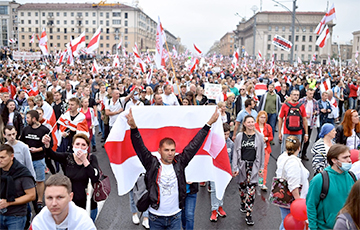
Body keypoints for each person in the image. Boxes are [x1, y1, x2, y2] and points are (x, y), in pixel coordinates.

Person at [125, 108, 219, 229]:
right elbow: (139, 146)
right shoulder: (152, 164)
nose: (170, 153)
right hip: (155, 217)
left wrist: (209, 124)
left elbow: (194, 145)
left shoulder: (180, 162)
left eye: (172, 150)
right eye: (166, 150)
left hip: (175, 217)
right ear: (159, 151)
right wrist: (133, 127)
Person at [42, 133, 100, 221]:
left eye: (83, 145)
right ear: (73, 146)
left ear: (87, 147)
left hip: (88, 204)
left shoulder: (91, 158)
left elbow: (95, 177)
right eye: (77, 144)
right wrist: (47, 145)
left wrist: (84, 161)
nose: (80, 147)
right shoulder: (67, 157)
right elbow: (52, 155)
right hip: (71, 205)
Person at [306, 144, 356, 229]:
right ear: (334, 160)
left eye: (349, 156)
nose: (349, 160)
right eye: (345, 158)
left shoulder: (352, 177)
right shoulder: (319, 179)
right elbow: (311, 205)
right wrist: (313, 228)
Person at [30, 174, 96, 230]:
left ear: (70, 197)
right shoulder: (39, 222)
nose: (54, 203)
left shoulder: (83, 221)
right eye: (49, 198)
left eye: (60, 197)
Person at [232, 115, 264, 226]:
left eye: (252, 121)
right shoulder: (240, 136)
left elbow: (262, 153)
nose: (251, 124)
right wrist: (234, 167)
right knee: (242, 188)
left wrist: (261, 168)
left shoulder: (259, 136)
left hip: (253, 166)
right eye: (248, 122)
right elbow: (236, 153)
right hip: (242, 166)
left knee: (251, 191)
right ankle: (242, 201)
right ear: (244, 124)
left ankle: (248, 214)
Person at [20, 110, 52, 212]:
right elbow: (22, 142)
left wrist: (38, 149)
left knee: (39, 180)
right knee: (28, 180)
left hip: (39, 159)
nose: (26, 119)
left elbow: (49, 145)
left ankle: (39, 201)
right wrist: (26, 147)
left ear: (34, 119)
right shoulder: (25, 129)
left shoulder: (44, 130)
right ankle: (29, 197)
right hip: (27, 161)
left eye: (28, 118)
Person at [275, 136, 309, 230]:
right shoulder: (293, 162)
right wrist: (298, 202)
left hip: (284, 197)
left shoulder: (282, 157)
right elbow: (293, 185)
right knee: (290, 223)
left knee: (285, 221)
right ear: (299, 148)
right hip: (292, 200)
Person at [0, 144, 36, 230]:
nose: (0, 160)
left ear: (11, 156)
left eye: (2, 157)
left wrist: (9, 203)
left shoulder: (22, 173)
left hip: (16, 216)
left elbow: (31, 195)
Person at [209, 123, 233, 222]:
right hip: (214, 170)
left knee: (222, 189)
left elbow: (231, 158)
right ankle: (214, 209)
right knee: (214, 189)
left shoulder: (231, 143)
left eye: (227, 134)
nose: (226, 136)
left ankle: (220, 206)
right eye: (224, 134)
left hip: (224, 171)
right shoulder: (213, 142)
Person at [278, 89, 308, 155]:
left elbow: (304, 120)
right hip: (287, 132)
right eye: (294, 95)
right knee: (285, 151)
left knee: (297, 151)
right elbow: (280, 119)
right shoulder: (285, 105)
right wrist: (280, 132)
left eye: (297, 95)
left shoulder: (301, 106)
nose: (296, 96)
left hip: (298, 132)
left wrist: (306, 133)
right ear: (291, 95)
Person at [298, 88, 320, 160]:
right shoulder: (302, 101)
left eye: (312, 94)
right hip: (302, 122)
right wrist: (303, 114)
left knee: (307, 139)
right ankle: (298, 153)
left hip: (310, 123)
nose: (311, 95)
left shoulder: (315, 102)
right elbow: (297, 109)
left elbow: (318, 111)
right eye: (310, 94)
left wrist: (315, 113)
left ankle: (304, 154)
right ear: (306, 93)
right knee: (300, 139)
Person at [255, 111, 273, 191]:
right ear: (258, 117)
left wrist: (267, 139)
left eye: (264, 117)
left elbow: (271, 137)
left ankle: (262, 183)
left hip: (266, 149)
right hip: (256, 149)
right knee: (255, 166)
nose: (262, 119)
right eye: (261, 117)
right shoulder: (254, 126)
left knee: (264, 166)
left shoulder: (268, 127)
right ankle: (254, 181)